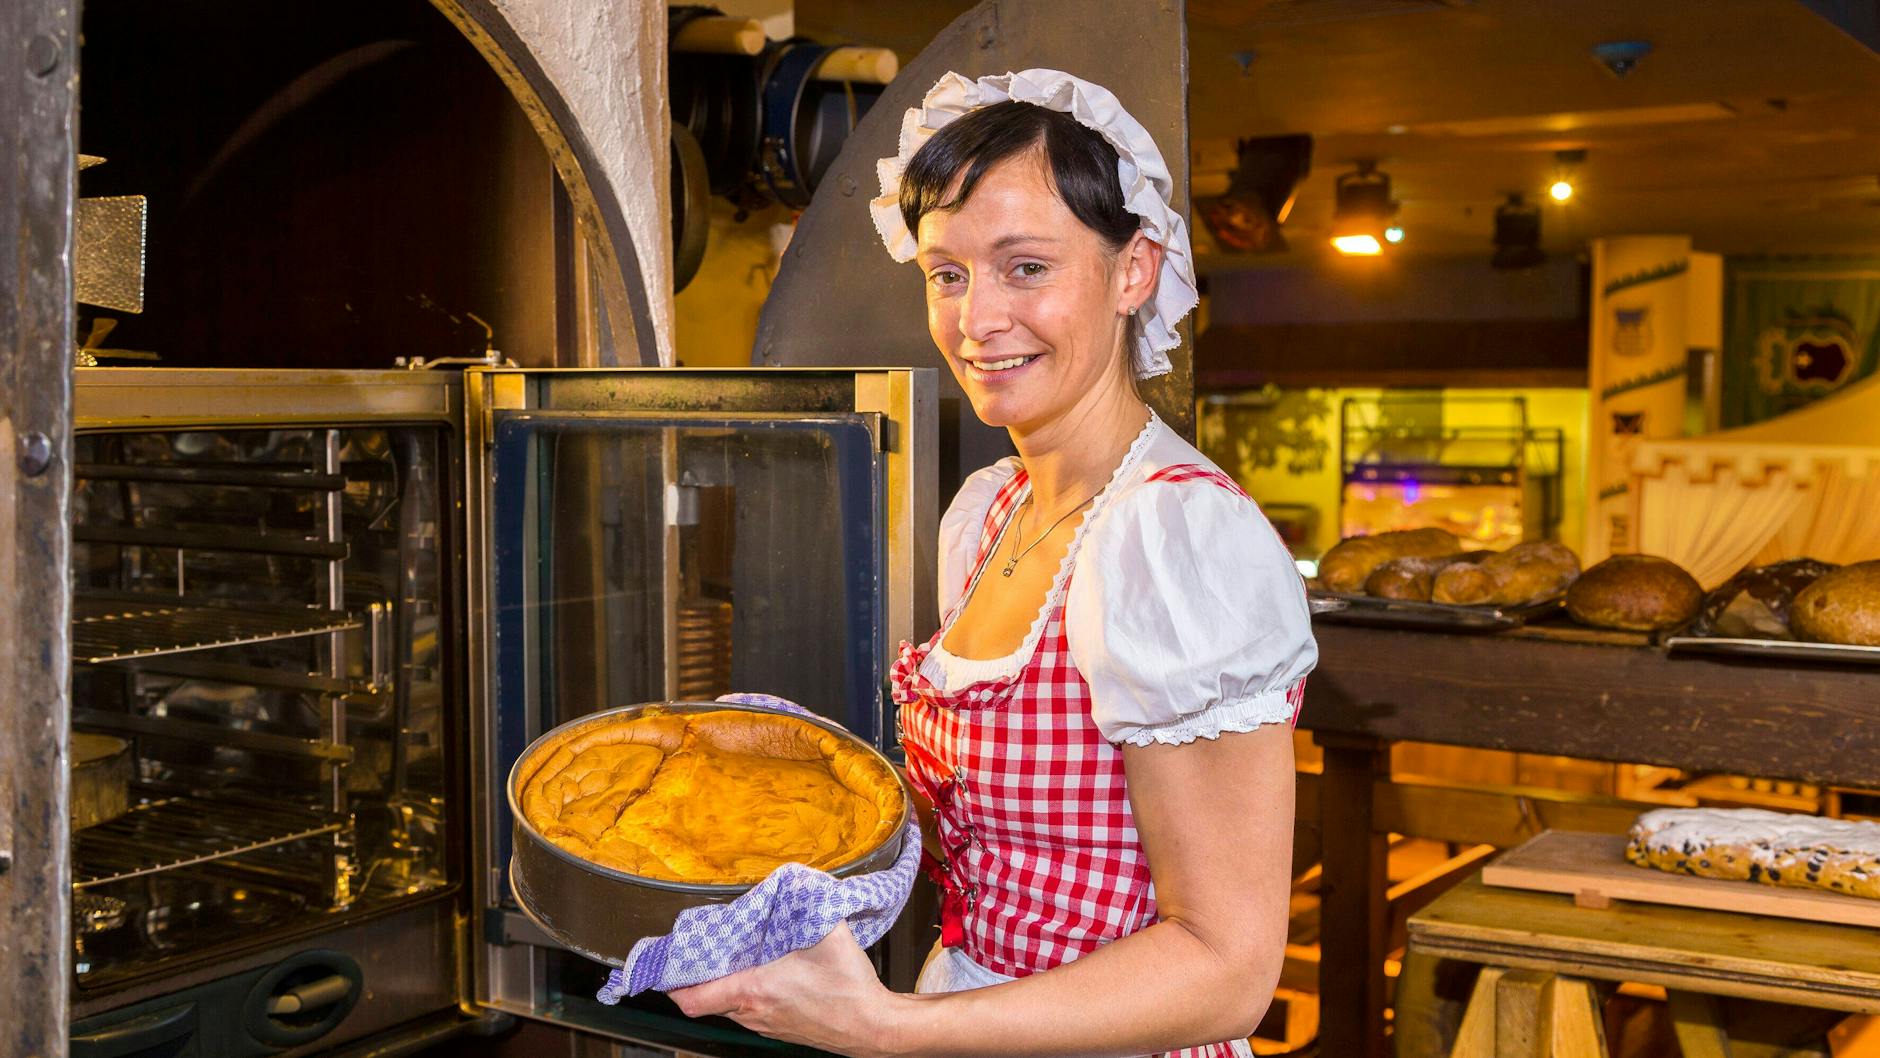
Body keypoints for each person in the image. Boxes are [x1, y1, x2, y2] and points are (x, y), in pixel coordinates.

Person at [672, 69, 1317, 1058]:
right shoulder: (989, 513)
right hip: (970, 1019)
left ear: (1133, 270)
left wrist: (890, 1026)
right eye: (947, 273)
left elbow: (1224, 969)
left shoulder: (1173, 540)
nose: (976, 320)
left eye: (1025, 267)